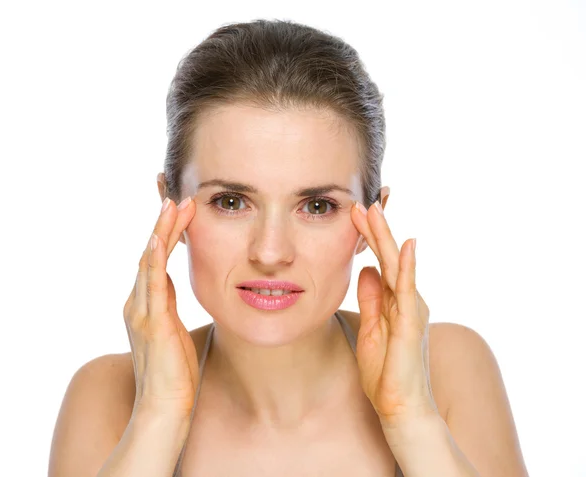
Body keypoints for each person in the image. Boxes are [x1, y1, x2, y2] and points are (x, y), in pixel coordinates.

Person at [48, 19, 529, 477]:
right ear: (169, 207)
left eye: (317, 206)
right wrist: (159, 415)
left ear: (371, 221)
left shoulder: (449, 366)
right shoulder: (106, 395)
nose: (271, 252)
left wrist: (411, 417)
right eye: (231, 201)